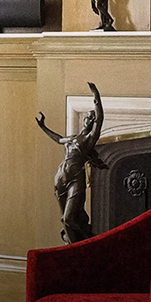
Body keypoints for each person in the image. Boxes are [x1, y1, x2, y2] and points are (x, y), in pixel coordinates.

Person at [35, 83, 110, 243]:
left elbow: (100, 117)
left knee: (68, 219)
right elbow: (58, 138)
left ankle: (82, 244)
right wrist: (43, 127)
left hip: (76, 179)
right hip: (61, 178)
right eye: (87, 117)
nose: (88, 120)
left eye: (91, 118)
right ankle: (73, 245)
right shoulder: (72, 138)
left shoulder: (89, 140)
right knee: (66, 219)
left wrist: (96, 96)